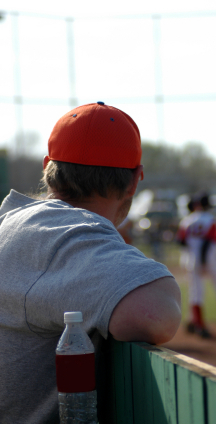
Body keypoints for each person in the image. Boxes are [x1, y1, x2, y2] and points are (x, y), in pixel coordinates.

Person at [0, 102, 181, 424]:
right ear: (134, 181)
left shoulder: (10, 223)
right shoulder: (66, 235)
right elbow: (157, 315)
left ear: (47, 167)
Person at [177, 193, 216, 339]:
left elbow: (180, 241)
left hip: (193, 260)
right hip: (211, 259)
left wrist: (192, 248)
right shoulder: (211, 220)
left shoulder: (186, 221)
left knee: (196, 293)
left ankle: (200, 327)